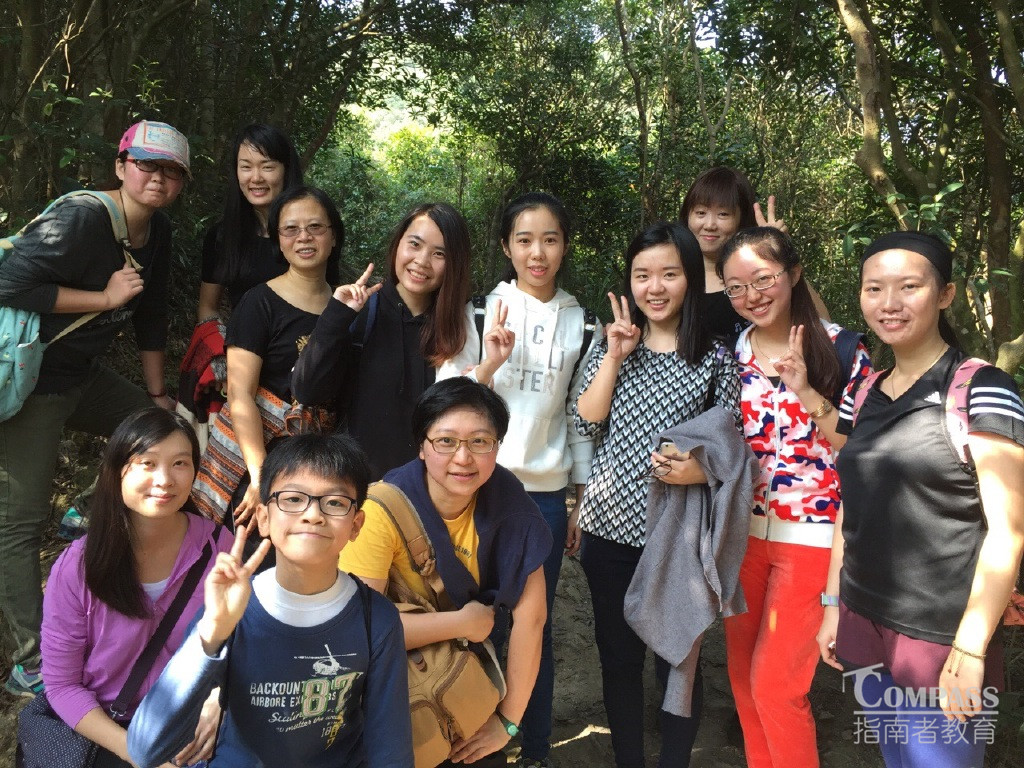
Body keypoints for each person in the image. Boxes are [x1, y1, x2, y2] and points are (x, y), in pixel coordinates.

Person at [816, 232, 1024, 767]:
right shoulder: (863, 391)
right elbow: (851, 505)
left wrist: (971, 647)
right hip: (863, 616)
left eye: (909, 287)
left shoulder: (982, 388)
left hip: (941, 635)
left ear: (945, 294)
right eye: (874, 288)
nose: (889, 303)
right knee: (895, 757)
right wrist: (833, 605)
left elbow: (1009, 531)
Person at [0, 119, 189, 697]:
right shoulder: (84, 218)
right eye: (146, 165)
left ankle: (84, 510)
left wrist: (157, 397)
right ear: (121, 166)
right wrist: (104, 298)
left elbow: (151, 313)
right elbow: (7, 282)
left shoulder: (157, 232)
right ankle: (31, 659)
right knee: (18, 523)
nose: (157, 178)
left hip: (82, 376)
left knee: (162, 431)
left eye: (171, 172)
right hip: (32, 382)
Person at [128, 433, 412, 767]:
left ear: (356, 524)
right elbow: (146, 749)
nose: (313, 514)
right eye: (293, 499)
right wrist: (213, 631)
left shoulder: (375, 618)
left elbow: (390, 750)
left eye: (335, 502)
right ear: (263, 517)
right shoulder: (233, 608)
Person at [436, 192, 600, 768]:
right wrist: (489, 365)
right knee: (475, 622)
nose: (537, 253)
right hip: (477, 490)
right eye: (524, 240)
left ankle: (533, 747)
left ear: (565, 246)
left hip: (546, 497)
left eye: (550, 239)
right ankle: (466, 740)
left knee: (535, 625)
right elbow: (444, 402)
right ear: (506, 246)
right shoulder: (480, 312)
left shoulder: (582, 323)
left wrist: (580, 497)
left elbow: (577, 416)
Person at [573, 221, 741, 768]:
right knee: (619, 659)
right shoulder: (612, 344)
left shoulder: (716, 357)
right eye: (642, 275)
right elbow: (587, 418)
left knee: (678, 661)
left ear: (690, 278)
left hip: (676, 538)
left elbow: (732, 443)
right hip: (608, 530)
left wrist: (698, 469)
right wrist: (615, 356)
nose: (655, 287)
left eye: (669, 274)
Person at [716, 228, 871, 768]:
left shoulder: (844, 350)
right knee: (744, 683)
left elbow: (859, 451)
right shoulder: (730, 355)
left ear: (794, 274)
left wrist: (807, 392)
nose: (751, 296)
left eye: (763, 279)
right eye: (736, 287)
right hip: (742, 538)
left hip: (812, 542)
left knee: (776, 687)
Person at [340, 378, 550, 766]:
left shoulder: (513, 508)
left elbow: (531, 619)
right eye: (446, 441)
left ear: (497, 446)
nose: (463, 457)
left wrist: (508, 721)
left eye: (480, 441)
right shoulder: (380, 511)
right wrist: (462, 623)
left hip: (464, 684)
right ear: (422, 447)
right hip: (391, 690)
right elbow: (358, 632)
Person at [36, 408, 232, 767]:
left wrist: (220, 697)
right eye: (147, 463)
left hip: (196, 723)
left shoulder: (220, 548)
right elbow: (62, 686)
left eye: (180, 463)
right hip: (107, 727)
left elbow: (242, 642)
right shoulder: (78, 567)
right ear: (117, 471)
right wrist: (141, 756)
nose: (165, 480)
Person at [192, 185, 342, 529]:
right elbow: (240, 394)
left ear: (333, 236)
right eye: (291, 229)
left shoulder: (345, 306)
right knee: (240, 550)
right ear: (278, 240)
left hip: (311, 458)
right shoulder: (259, 303)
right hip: (254, 457)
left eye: (315, 227)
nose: (304, 237)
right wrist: (262, 475)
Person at [291, 203, 471, 478]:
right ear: (398, 244)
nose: (422, 261)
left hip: (426, 489)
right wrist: (336, 316)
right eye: (415, 244)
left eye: (439, 254)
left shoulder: (459, 327)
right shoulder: (361, 311)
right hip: (357, 485)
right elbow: (307, 390)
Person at [678, 166, 828, 341]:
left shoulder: (766, 279)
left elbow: (822, 324)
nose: (710, 225)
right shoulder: (674, 276)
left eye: (723, 214)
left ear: (742, 219)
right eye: (701, 213)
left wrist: (779, 254)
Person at [197, 123, 303, 321]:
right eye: (246, 167)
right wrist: (218, 341)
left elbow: (328, 300)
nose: (256, 178)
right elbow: (208, 308)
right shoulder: (222, 236)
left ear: (286, 170)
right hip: (244, 339)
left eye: (267, 167)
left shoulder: (311, 233)